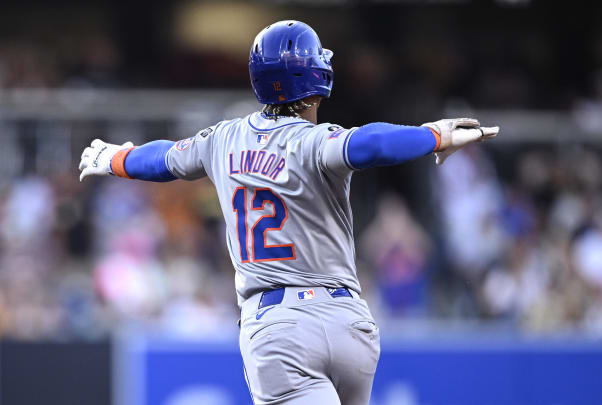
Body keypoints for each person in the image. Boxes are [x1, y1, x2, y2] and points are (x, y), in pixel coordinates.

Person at [78, 20, 498, 405]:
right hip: (347, 319)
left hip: (278, 325)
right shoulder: (315, 141)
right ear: (316, 78)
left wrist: (117, 158)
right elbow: (372, 144)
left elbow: (162, 160)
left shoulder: (223, 138)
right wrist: (433, 136)